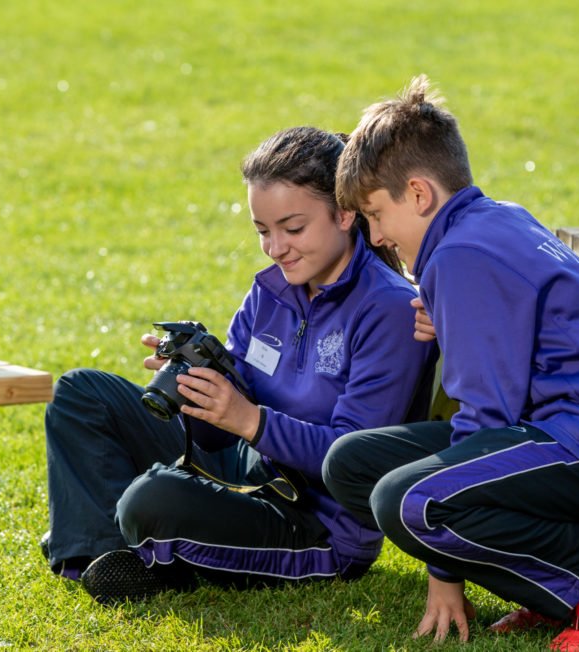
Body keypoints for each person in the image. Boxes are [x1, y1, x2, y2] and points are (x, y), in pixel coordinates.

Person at [322, 76, 579, 652]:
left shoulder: (460, 253)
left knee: (406, 501)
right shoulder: (494, 218)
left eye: (375, 214)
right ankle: (560, 589)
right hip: (572, 432)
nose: (378, 235)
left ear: (418, 193)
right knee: (354, 464)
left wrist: (444, 574)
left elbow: (484, 415)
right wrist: (458, 324)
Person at [42, 125, 436, 603]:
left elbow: (353, 461)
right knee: (82, 393)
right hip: (244, 467)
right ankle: (101, 559)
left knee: (153, 498)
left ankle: (130, 540)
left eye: (293, 229)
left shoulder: (389, 310)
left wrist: (249, 419)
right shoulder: (270, 290)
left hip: (315, 525)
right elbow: (218, 434)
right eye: (263, 231)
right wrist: (198, 385)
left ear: (345, 213)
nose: (276, 248)